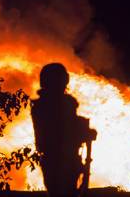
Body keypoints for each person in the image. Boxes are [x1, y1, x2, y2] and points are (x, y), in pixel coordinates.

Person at [31, 63, 97, 197]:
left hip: (53, 161)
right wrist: (85, 132)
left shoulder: (40, 106)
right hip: (63, 161)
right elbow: (64, 131)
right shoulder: (62, 104)